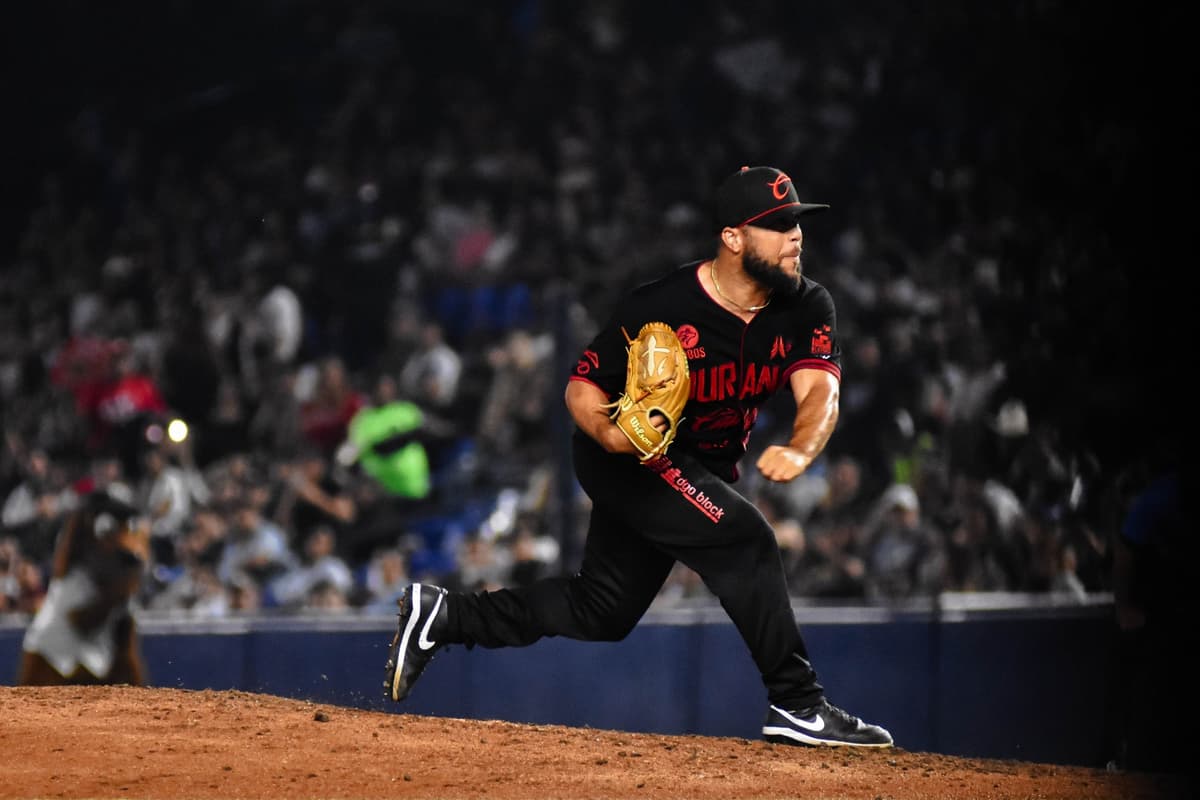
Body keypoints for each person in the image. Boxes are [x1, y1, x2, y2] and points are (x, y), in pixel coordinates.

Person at [383, 165, 894, 748]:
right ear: (733, 238)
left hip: (693, 470)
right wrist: (609, 434)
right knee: (748, 539)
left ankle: (446, 617)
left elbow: (821, 391)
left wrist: (803, 446)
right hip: (627, 458)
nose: (796, 236)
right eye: (777, 225)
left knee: (602, 610)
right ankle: (798, 705)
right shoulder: (663, 304)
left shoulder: (806, 306)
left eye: (797, 222)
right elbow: (582, 386)